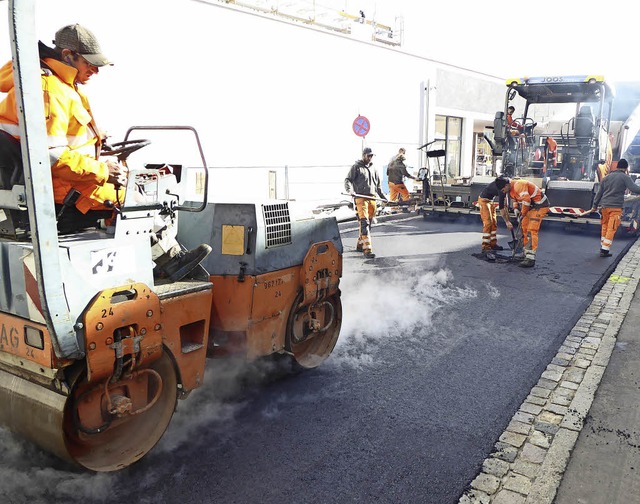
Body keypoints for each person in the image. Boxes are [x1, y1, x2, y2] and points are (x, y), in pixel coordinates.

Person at [0, 23, 210, 282]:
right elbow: (50, 155)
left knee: (135, 191)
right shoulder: (49, 90)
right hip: (63, 194)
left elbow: (58, 138)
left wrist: (100, 143)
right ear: (68, 55)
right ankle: (170, 262)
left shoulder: (60, 84)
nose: (95, 70)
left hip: (65, 184)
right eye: (90, 63)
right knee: (139, 197)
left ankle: (165, 261)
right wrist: (103, 170)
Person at [589, 158, 640, 257]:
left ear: (617, 166)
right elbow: (634, 188)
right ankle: (605, 250)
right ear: (625, 168)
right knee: (611, 228)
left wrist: (594, 205)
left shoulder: (607, 177)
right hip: (615, 208)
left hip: (604, 207)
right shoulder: (625, 177)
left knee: (604, 226)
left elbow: (599, 193)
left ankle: (603, 246)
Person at [497, 177, 550, 268]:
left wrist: (523, 213)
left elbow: (526, 200)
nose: (503, 192)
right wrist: (516, 208)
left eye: (503, 189)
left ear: (506, 185)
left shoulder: (519, 185)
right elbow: (515, 199)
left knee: (531, 230)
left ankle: (530, 258)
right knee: (524, 228)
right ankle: (525, 253)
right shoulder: (510, 190)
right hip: (531, 207)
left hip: (540, 206)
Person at [344, 147, 387, 259]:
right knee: (364, 222)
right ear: (363, 155)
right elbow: (347, 180)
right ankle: (367, 250)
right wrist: (350, 191)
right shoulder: (356, 167)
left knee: (369, 223)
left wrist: (383, 197)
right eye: (368, 155)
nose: (370, 157)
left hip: (372, 199)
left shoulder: (374, 169)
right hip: (360, 198)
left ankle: (360, 244)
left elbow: (378, 186)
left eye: (372, 156)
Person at [477, 176, 510, 257]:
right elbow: (502, 208)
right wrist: (507, 222)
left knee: (494, 223)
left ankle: (493, 244)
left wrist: (507, 201)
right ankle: (485, 246)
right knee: (488, 223)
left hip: (490, 201)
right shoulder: (502, 188)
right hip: (484, 201)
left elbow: (505, 200)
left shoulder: (505, 183)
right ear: (505, 186)